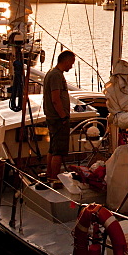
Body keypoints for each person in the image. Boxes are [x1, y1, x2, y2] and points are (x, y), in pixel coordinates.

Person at [42, 49, 76, 188]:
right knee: (59, 151)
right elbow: (55, 98)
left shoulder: (52, 73)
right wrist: (63, 116)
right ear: (66, 61)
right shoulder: (56, 76)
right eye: (71, 63)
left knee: (53, 148)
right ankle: (54, 179)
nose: (71, 66)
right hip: (58, 118)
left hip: (52, 117)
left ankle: (50, 173)